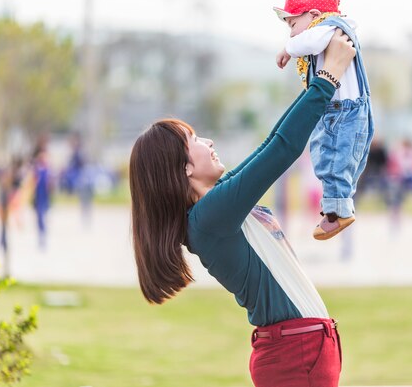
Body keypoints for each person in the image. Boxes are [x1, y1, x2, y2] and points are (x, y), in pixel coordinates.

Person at [129, 31, 355, 387]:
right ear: (184, 168)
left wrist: (319, 77)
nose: (209, 142)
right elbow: (281, 150)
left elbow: (272, 142)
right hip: (296, 357)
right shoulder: (210, 218)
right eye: (196, 140)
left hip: (302, 353)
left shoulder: (216, 206)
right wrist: (328, 78)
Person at [274, 0, 374, 240]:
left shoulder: (329, 29)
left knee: (330, 159)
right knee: (344, 160)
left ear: (315, 15)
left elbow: (309, 41)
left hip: (341, 112)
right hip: (350, 110)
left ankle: (336, 213)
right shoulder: (337, 31)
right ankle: (340, 207)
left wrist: (287, 49)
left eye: (293, 24)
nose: (292, 34)